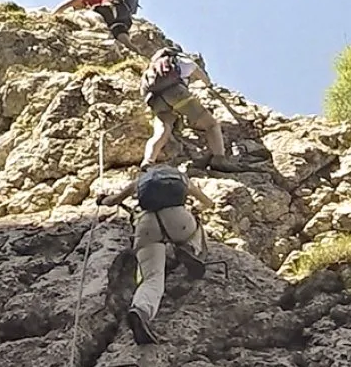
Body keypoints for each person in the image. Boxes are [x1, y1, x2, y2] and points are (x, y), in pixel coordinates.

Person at [97, 165, 217, 345]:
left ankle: (141, 310)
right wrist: (197, 208)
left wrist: (103, 199)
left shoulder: (140, 182)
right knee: (197, 229)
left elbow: (112, 201)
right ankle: (191, 250)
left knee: (152, 278)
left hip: (146, 225)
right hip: (178, 219)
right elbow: (208, 203)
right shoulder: (182, 179)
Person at [139, 45, 246, 173]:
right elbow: (202, 76)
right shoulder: (180, 60)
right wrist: (210, 85)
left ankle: (148, 161)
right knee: (211, 125)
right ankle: (219, 159)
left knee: (162, 131)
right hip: (175, 93)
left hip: (155, 100)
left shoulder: (151, 70)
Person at [51, 0, 139, 37]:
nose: (76, 8)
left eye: (75, 7)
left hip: (108, 10)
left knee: (83, 15)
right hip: (122, 18)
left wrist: (52, 15)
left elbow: (66, 4)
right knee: (120, 34)